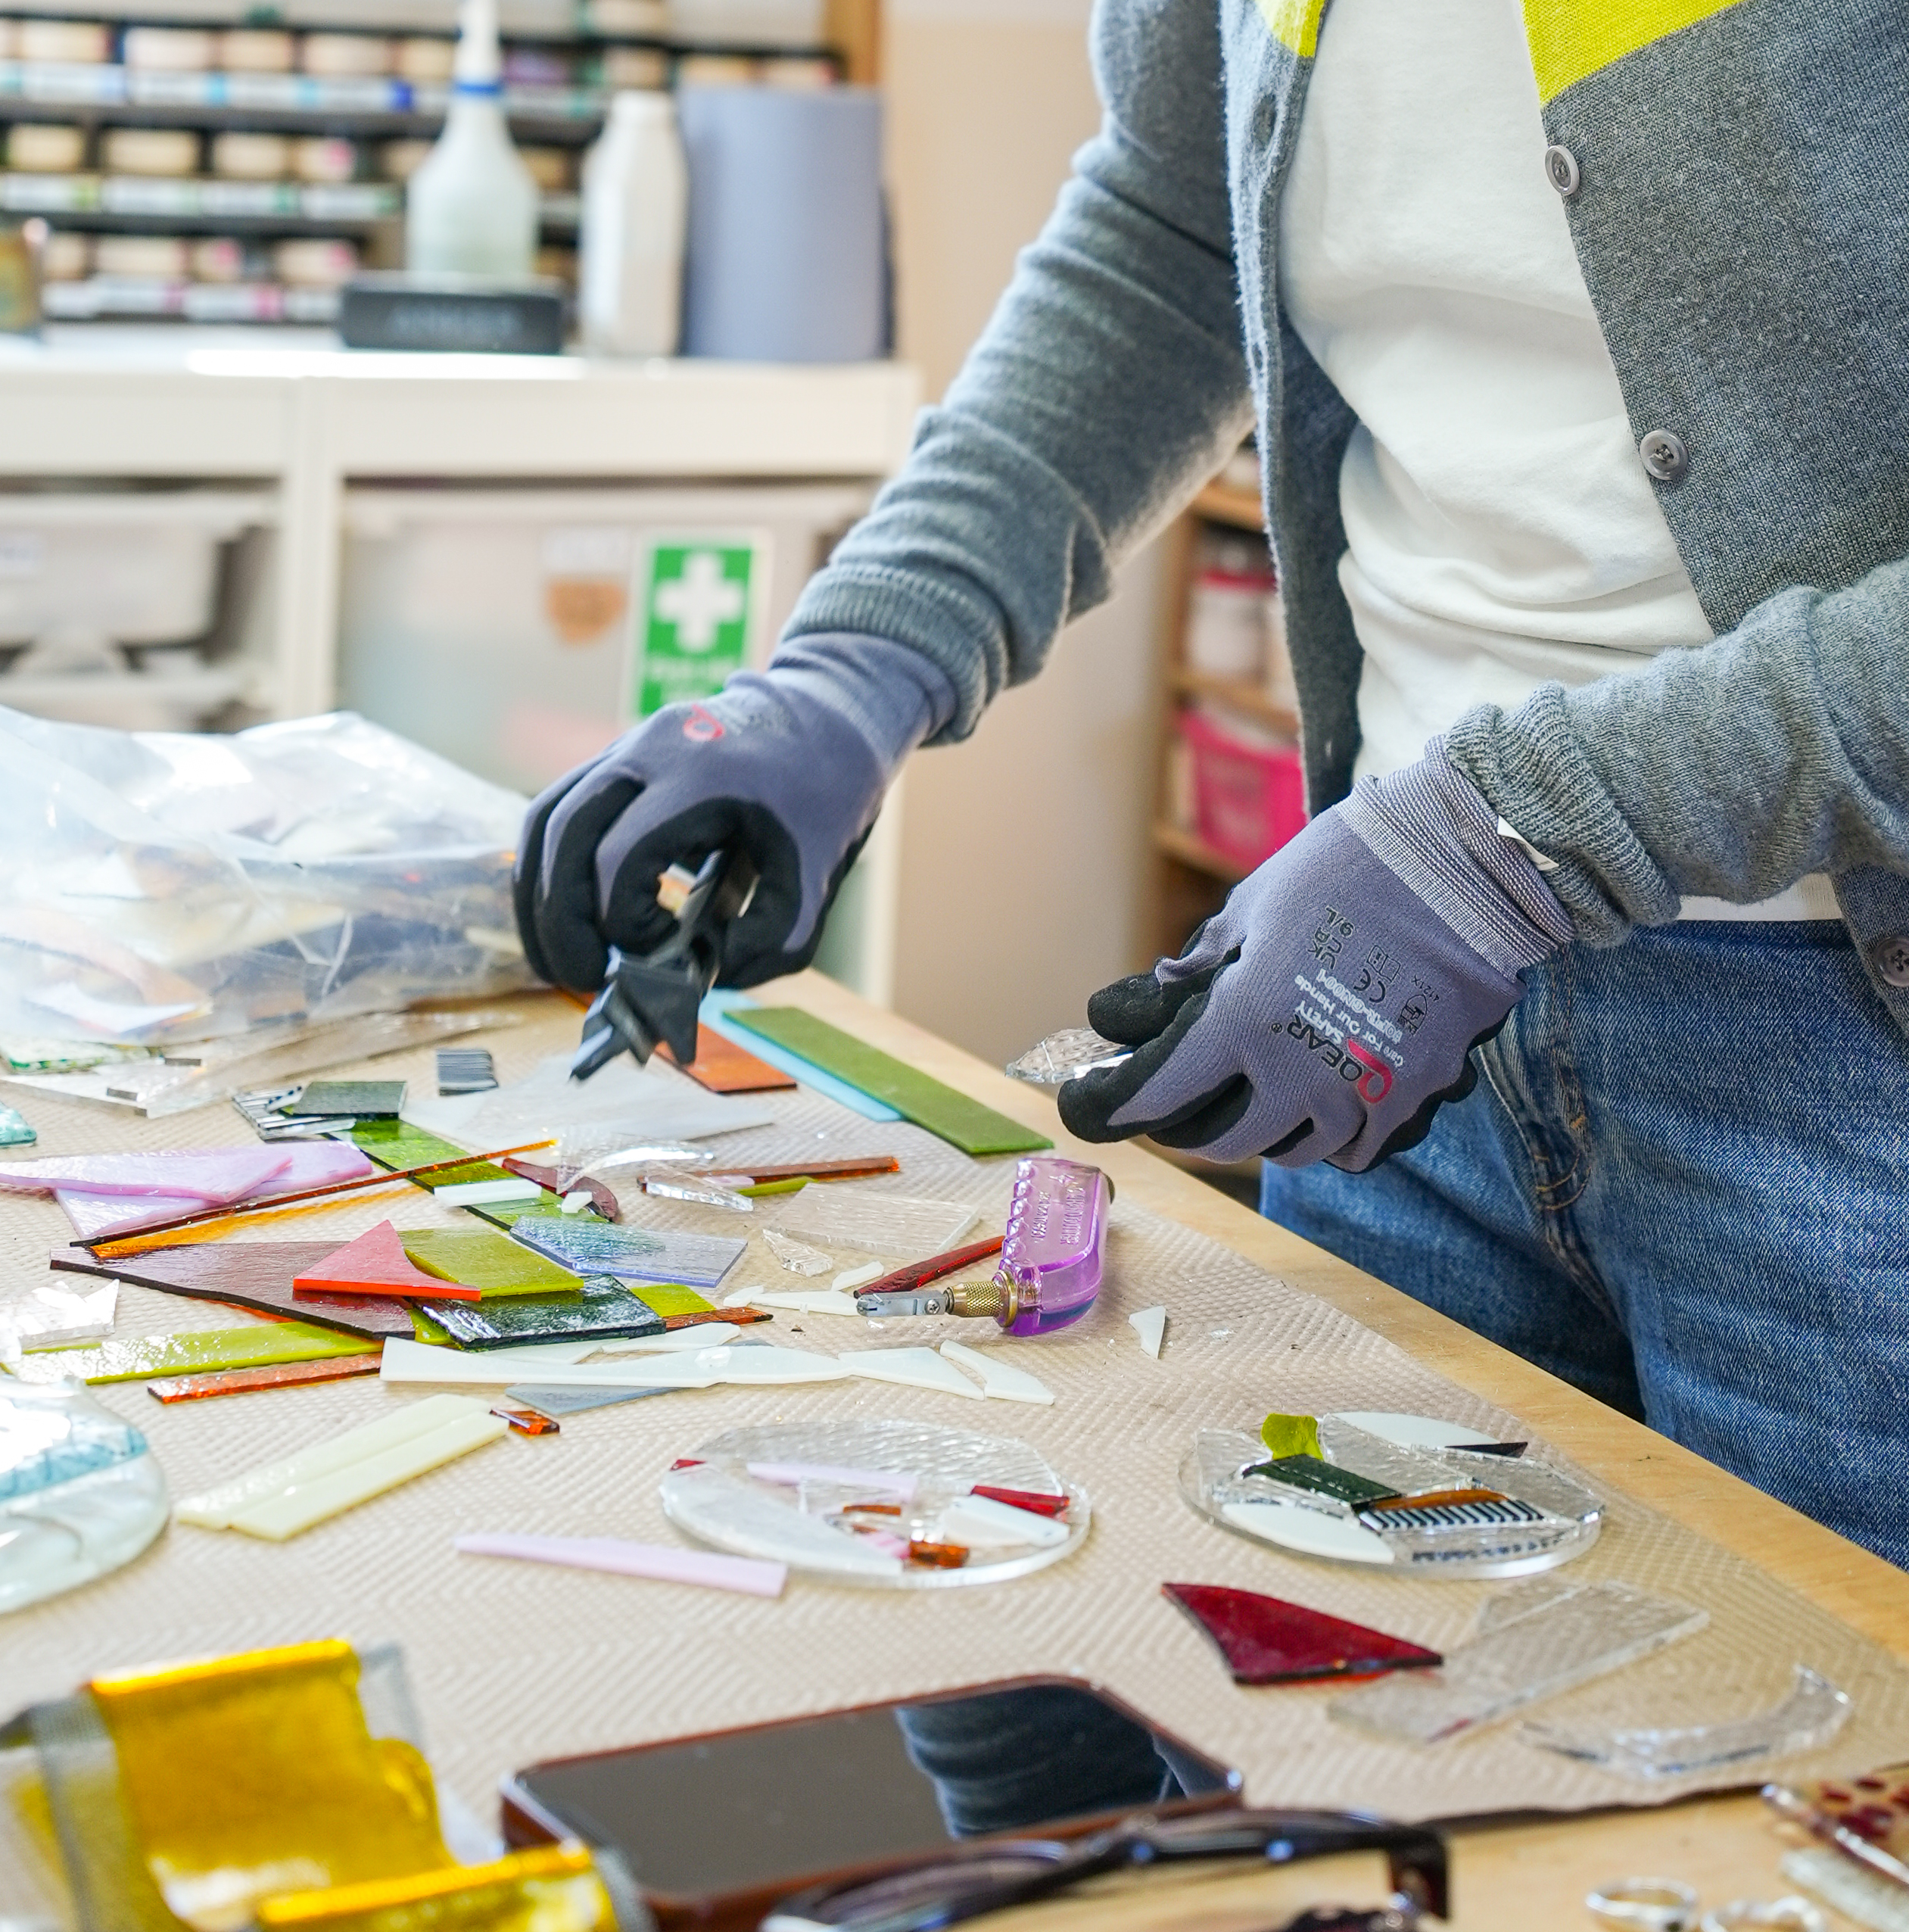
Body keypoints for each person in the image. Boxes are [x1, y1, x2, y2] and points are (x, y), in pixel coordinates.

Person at [515, 0, 1909, 1567]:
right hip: (1390, 1009)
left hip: (1846, 1052)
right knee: (1388, 1729)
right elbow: (1172, 234)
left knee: (1843, 1773)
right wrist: (860, 661)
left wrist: (1521, 837)